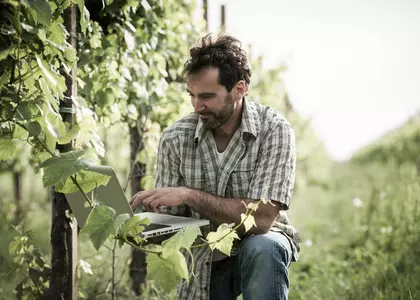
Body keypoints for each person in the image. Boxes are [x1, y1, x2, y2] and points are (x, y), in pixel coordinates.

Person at [130, 34, 301, 300]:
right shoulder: (175, 138)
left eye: (208, 96)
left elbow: (263, 219)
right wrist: (131, 225)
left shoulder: (274, 131)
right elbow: (173, 225)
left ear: (239, 89)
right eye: (192, 96)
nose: (197, 106)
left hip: (257, 246)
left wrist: (189, 195)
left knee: (265, 247)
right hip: (204, 254)